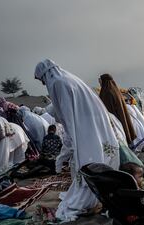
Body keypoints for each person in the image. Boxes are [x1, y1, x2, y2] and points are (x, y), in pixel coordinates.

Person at [35, 59, 120, 221]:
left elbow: (69, 118)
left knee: (87, 163)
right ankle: (98, 197)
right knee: (98, 159)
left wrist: (67, 150)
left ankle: (90, 200)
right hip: (94, 127)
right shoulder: (69, 79)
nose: (42, 83)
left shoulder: (58, 84)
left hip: (85, 130)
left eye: (41, 79)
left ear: (46, 74)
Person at [99, 74, 137, 145]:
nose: (100, 83)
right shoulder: (115, 91)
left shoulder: (107, 93)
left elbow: (107, 110)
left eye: (100, 81)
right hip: (118, 121)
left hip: (113, 123)